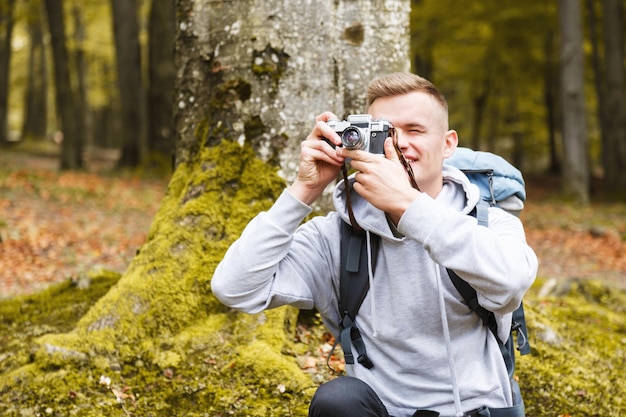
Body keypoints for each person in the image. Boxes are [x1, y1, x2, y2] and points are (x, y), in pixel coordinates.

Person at [211, 72, 538, 417]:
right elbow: (234, 287)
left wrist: (408, 206)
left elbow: (512, 282)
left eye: (414, 130)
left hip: (477, 410)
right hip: (384, 410)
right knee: (338, 400)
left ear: (448, 144)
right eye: (385, 133)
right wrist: (303, 190)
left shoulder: (487, 223)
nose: (397, 144)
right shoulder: (336, 236)